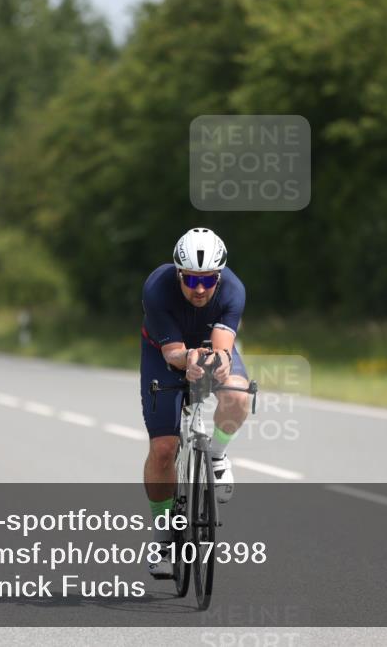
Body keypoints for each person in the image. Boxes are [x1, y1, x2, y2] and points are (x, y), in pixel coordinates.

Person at [140, 228, 251, 578]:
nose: (199, 288)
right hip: (164, 351)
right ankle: (162, 534)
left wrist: (216, 363)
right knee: (162, 448)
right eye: (191, 279)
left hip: (208, 343)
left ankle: (216, 455)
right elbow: (173, 353)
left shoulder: (233, 290)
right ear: (178, 273)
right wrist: (189, 359)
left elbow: (222, 347)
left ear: (219, 276)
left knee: (237, 393)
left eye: (208, 280)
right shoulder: (157, 287)